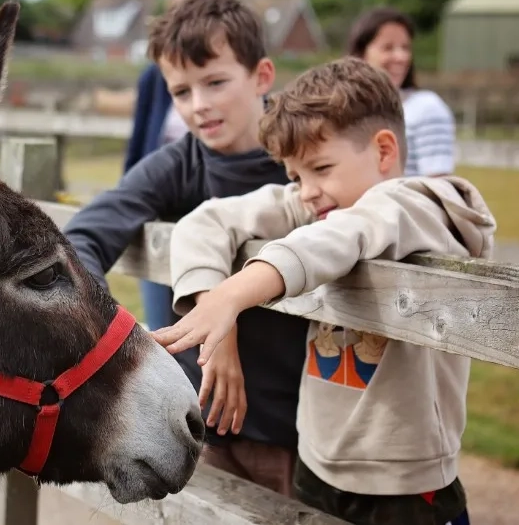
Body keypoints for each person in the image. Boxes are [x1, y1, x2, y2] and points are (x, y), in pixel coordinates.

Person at [154, 56, 495, 525]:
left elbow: (337, 239)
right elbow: (207, 219)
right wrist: (215, 311)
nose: (306, 191)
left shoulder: (417, 207)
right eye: (295, 177)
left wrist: (232, 297)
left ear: (382, 151)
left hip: (404, 486)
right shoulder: (324, 201)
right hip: (315, 462)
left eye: (320, 167)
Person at [62, 0, 308, 496]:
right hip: (199, 424)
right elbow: (83, 238)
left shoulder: (309, 160)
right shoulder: (177, 164)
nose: (199, 106)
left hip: (295, 427)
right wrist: (104, 333)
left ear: (262, 76)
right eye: (181, 91)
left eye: (216, 82)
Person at [122, 0, 226, 333]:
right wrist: (130, 196)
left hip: (211, 211)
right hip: (160, 209)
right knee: (161, 317)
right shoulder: (155, 75)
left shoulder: (232, 72)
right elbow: (140, 140)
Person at [347, 7, 456, 177]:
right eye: (388, 48)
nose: (401, 57)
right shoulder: (344, 111)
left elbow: (438, 189)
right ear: (361, 54)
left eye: (405, 48)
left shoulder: (427, 108)